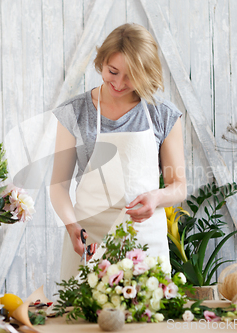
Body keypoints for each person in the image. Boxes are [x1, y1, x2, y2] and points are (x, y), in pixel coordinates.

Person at [50, 23, 186, 281]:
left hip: (144, 243)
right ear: (101, 62)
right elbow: (58, 186)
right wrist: (72, 227)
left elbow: (178, 186)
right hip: (89, 240)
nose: (120, 84)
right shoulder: (75, 112)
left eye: (131, 75)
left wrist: (156, 199)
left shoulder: (162, 114)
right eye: (113, 71)